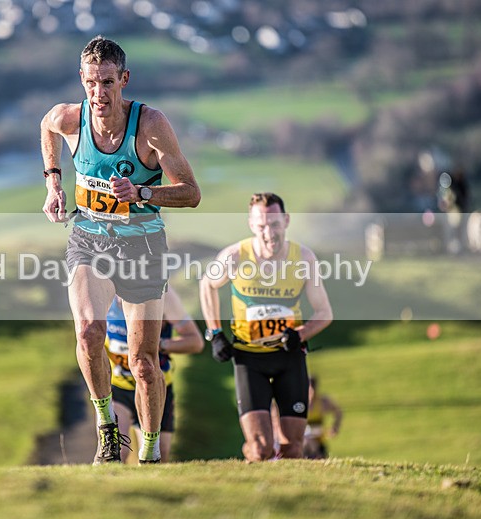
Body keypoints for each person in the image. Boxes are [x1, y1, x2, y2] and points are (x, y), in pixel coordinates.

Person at [40, 36, 201, 464]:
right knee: (89, 332)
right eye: (91, 83)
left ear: (124, 80)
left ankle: (149, 451)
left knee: (143, 364)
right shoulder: (69, 118)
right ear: (82, 80)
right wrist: (54, 183)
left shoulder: (150, 125)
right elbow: (46, 125)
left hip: (143, 246)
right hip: (88, 241)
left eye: (108, 82)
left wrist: (144, 193)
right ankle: (107, 427)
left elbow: (191, 193)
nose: (99, 93)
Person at [199, 192, 333, 462]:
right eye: (261, 226)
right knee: (260, 447)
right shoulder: (236, 256)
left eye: (274, 225)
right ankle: (251, 469)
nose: (268, 233)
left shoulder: (304, 258)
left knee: (292, 448)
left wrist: (300, 335)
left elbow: (325, 312)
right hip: (249, 359)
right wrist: (215, 334)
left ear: (286, 221)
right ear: (251, 225)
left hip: (289, 358)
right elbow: (206, 284)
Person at [106, 286, 204, 463]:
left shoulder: (164, 294)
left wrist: (153, 346)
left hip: (156, 390)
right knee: (116, 452)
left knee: (159, 458)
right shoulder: (103, 293)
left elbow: (195, 342)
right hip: (120, 387)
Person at [302, 376, 343, 459]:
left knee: (312, 444)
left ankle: (316, 455)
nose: (312, 392)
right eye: (309, 389)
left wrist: (335, 427)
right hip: (303, 442)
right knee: (307, 442)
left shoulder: (322, 402)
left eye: (313, 389)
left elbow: (338, 411)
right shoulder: (300, 402)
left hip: (319, 441)